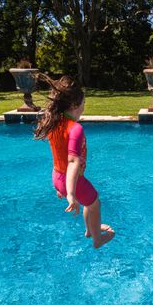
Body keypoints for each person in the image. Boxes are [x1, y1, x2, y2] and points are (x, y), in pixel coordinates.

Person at [34, 74, 115, 248]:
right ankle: (97, 239)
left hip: (57, 176)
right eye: (83, 104)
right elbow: (72, 161)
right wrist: (70, 193)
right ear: (74, 105)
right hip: (71, 181)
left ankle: (89, 229)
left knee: (88, 202)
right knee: (94, 203)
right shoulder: (75, 129)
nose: (84, 108)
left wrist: (62, 187)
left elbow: (60, 154)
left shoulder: (54, 122)